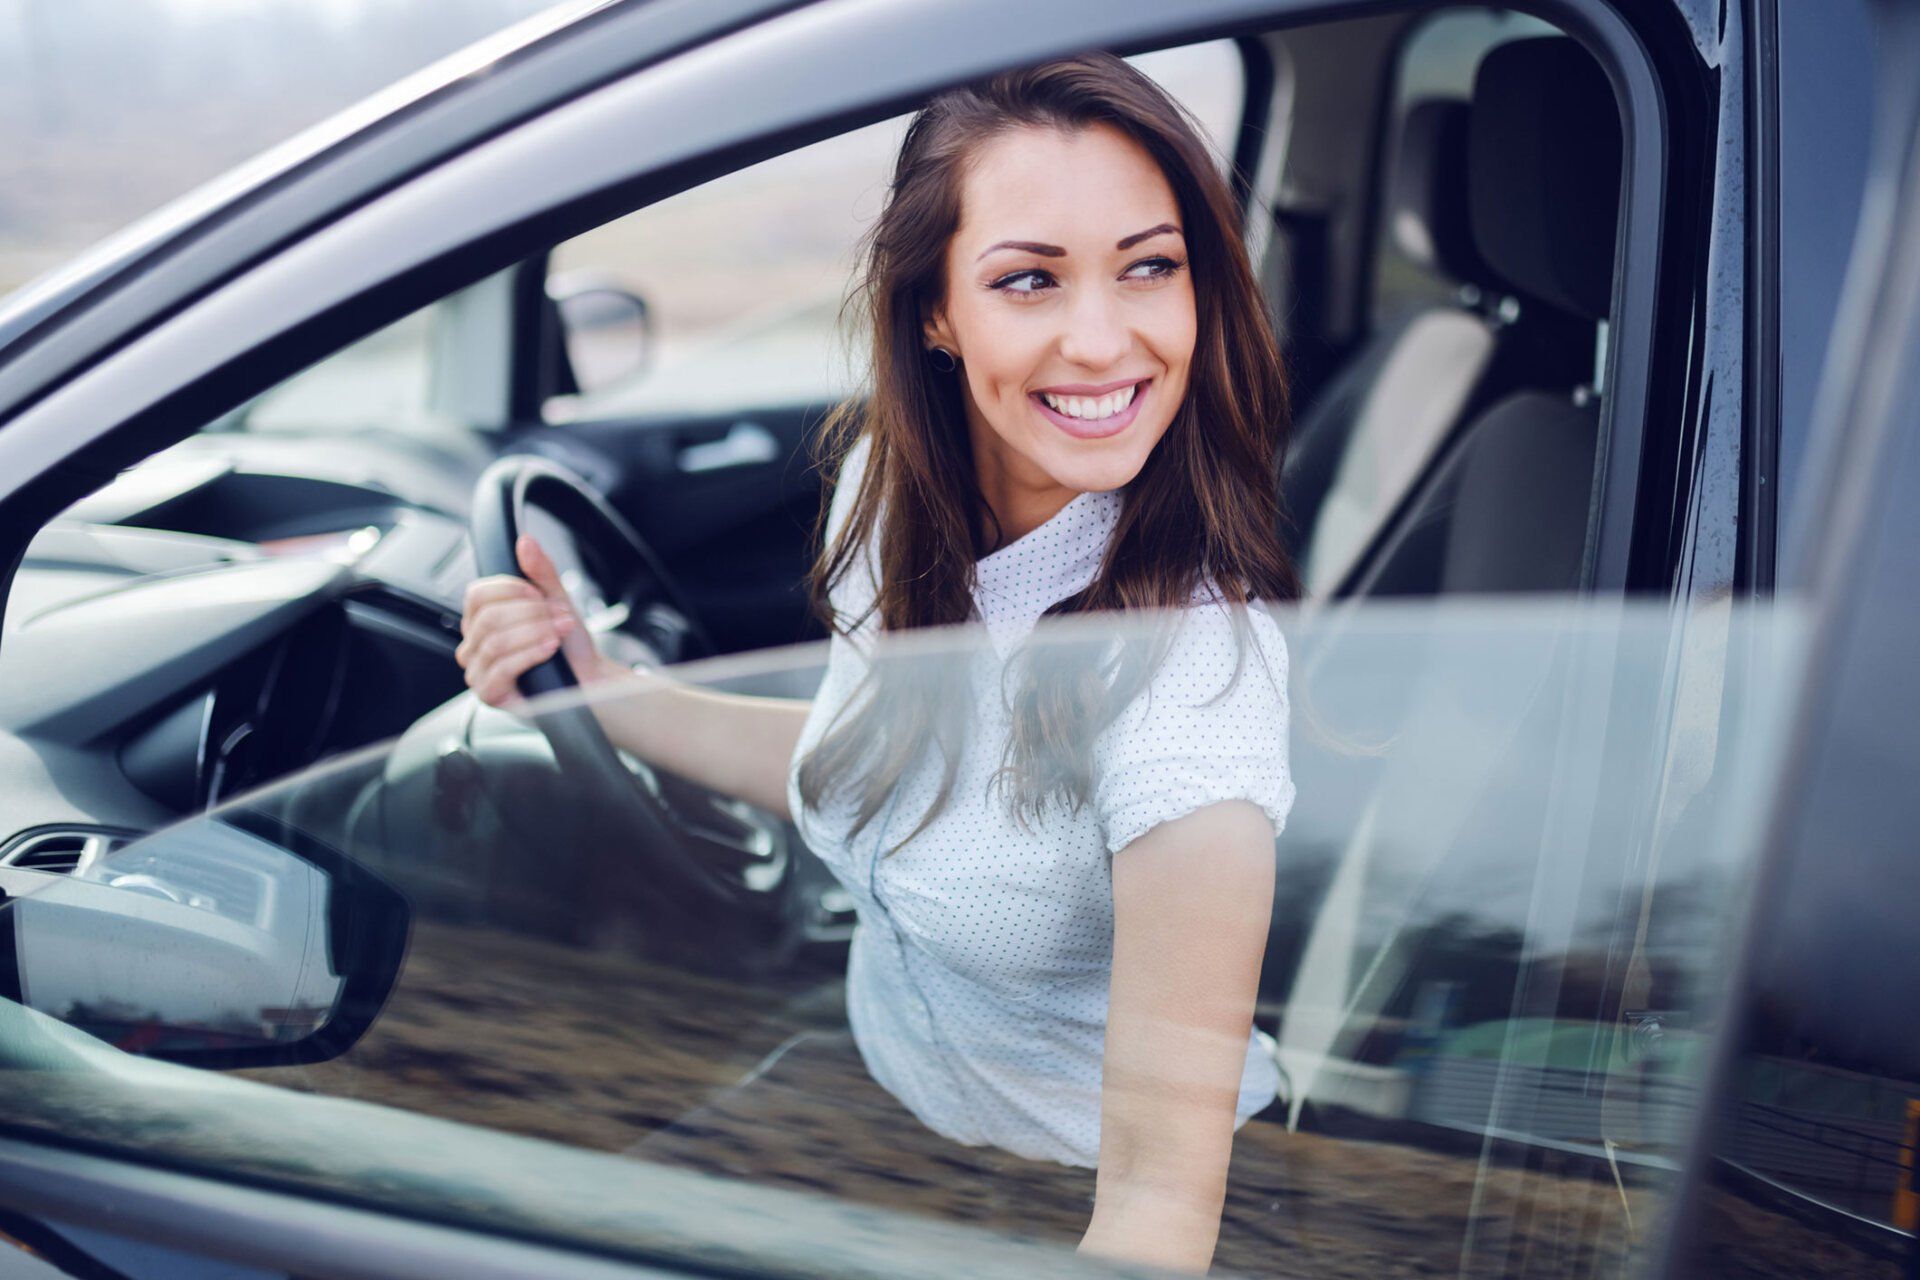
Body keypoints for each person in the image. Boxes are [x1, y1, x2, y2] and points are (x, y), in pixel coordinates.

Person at [457, 51, 1297, 1275]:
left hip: (1073, 1205)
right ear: (935, 312)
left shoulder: (1191, 686)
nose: (1104, 339)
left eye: (1150, 266)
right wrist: (600, 690)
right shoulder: (893, 496)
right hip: (891, 1097)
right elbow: (858, 763)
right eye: (1029, 280)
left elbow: (1159, 1205)